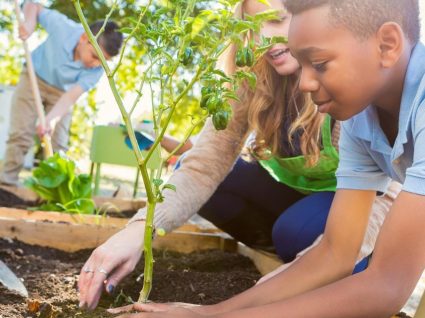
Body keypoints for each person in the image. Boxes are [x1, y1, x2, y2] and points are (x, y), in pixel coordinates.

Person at [105, 0, 425, 317]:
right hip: (319, 213)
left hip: (356, 221)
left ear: (387, 45)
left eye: (320, 63)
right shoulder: (361, 118)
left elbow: (387, 284)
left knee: (299, 233)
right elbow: (334, 253)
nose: (304, 83)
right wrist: (209, 312)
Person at [0, 2, 123, 186]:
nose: (97, 64)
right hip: (34, 76)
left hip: (62, 93)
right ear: (83, 38)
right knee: (21, 135)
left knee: (58, 143)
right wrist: (30, 23)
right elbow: (33, 5)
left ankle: (52, 191)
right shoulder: (64, 27)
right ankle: (5, 185)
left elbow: (71, 96)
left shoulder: (98, 70)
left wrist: (50, 119)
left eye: (104, 61)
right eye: (95, 56)